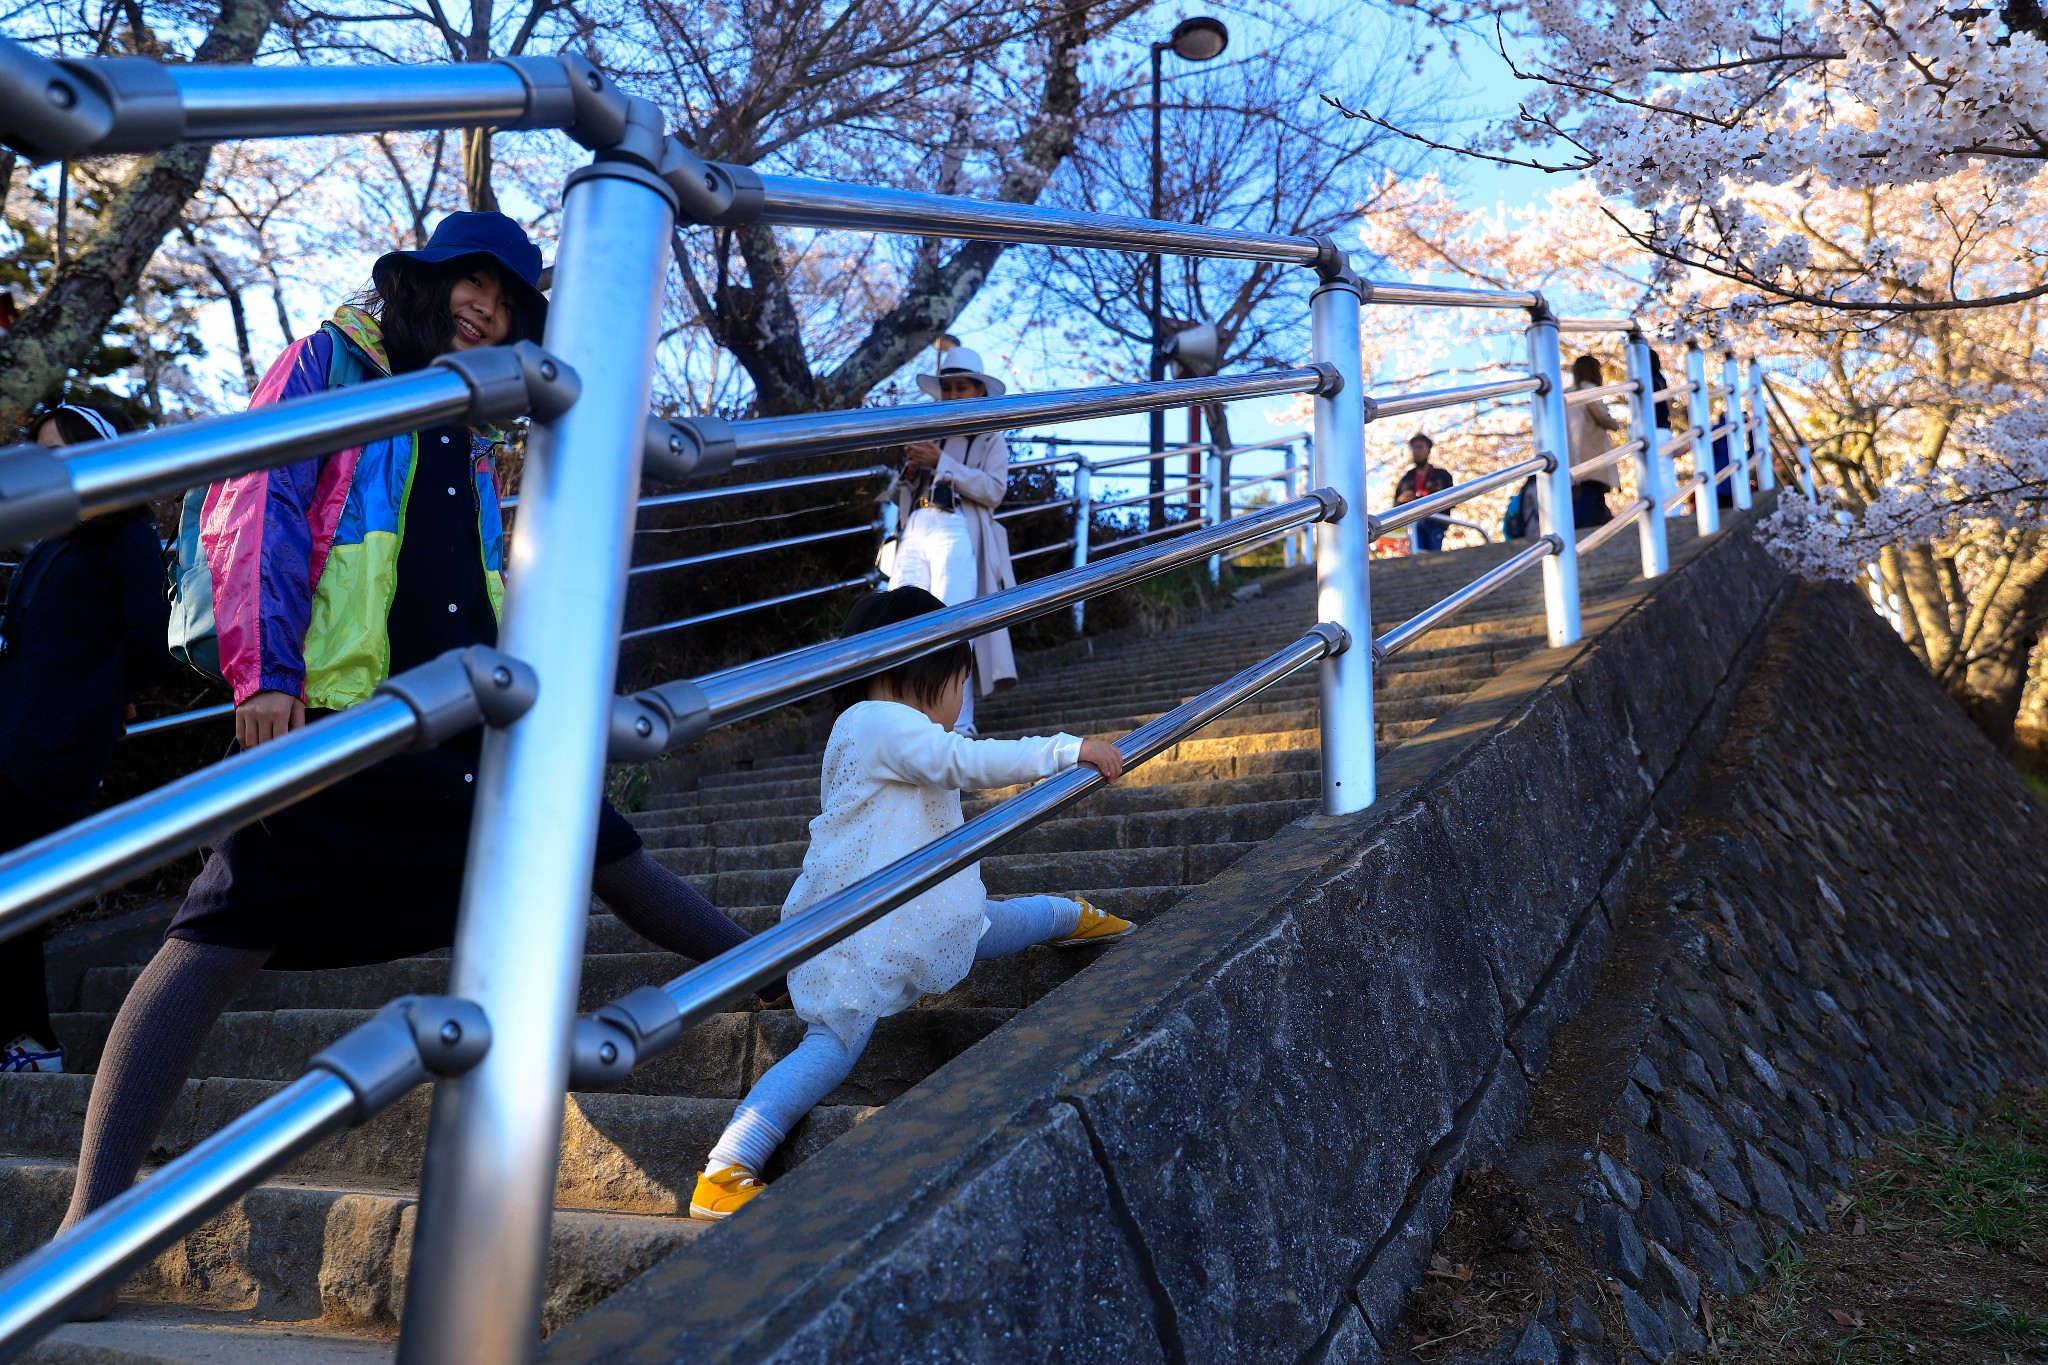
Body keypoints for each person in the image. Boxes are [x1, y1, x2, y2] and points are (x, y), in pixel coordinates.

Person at [61, 212, 767, 1241]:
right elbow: (255, 499)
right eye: (466, 282)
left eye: (507, 297)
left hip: (463, 710)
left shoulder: (474, 422)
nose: (482, 307)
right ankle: (94, 1219)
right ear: (420, 281)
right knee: (219, 933)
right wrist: (267, 670)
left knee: (596, 847)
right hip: (340, 709)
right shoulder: (334, 361)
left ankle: (784, 971)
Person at [689, 587, 1134, 1220]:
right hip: (863, 926)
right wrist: (1065, 751)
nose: (959, 701)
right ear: (917, 669)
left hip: (910, 912)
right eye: (959, 682)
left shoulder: (870, 728)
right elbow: (962, 761)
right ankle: (727, 1167)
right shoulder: (880, 723)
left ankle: (1072, 917)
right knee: (832, 1044)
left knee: (990, 925)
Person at [0, 401, 168, 1073]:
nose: (57, 467)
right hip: (11, 735)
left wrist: (102, 695)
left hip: (53, 745)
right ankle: (24, 1037)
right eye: (44, 455)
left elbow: (149, 645)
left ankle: (34, 1041)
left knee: (15, 887)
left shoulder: (126, 538)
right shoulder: (51, 542)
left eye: (67, 450)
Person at [888, 347, 1018, 737]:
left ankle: (957, 721)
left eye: (963, 387)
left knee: (954, 619)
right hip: (917, 525)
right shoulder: (930, 431)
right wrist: (910, 472)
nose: (955, 394)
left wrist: (940, 462)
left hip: (959, 526)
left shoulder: (990, 437)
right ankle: (903, 717)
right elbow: (900, 496)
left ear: (979, 391)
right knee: (901, 616)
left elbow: (994, 490)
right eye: (948, 388)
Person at [1566, 355, 1624, 529]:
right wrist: (1614, 424)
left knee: (1589, 493)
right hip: (1591, 447)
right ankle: (1582, 529)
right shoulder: (1589, 389)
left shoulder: (1567, 394)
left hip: (1572, 449)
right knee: (1593, 490)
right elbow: (1601, 416)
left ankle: (1603, 525)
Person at [1392, 432, 1454, 552]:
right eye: (1414, 448)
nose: (1416, 451)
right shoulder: (1406, 479)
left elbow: (1452, 499)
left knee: (1434, 552)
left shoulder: (1441, 475)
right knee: (1417, 552)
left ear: (1429, 450)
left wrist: (1437, 492)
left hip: (1436, 521)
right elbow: (1394, 505)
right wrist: (1401, 500)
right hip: (1413, 523)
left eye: (1420, 447)